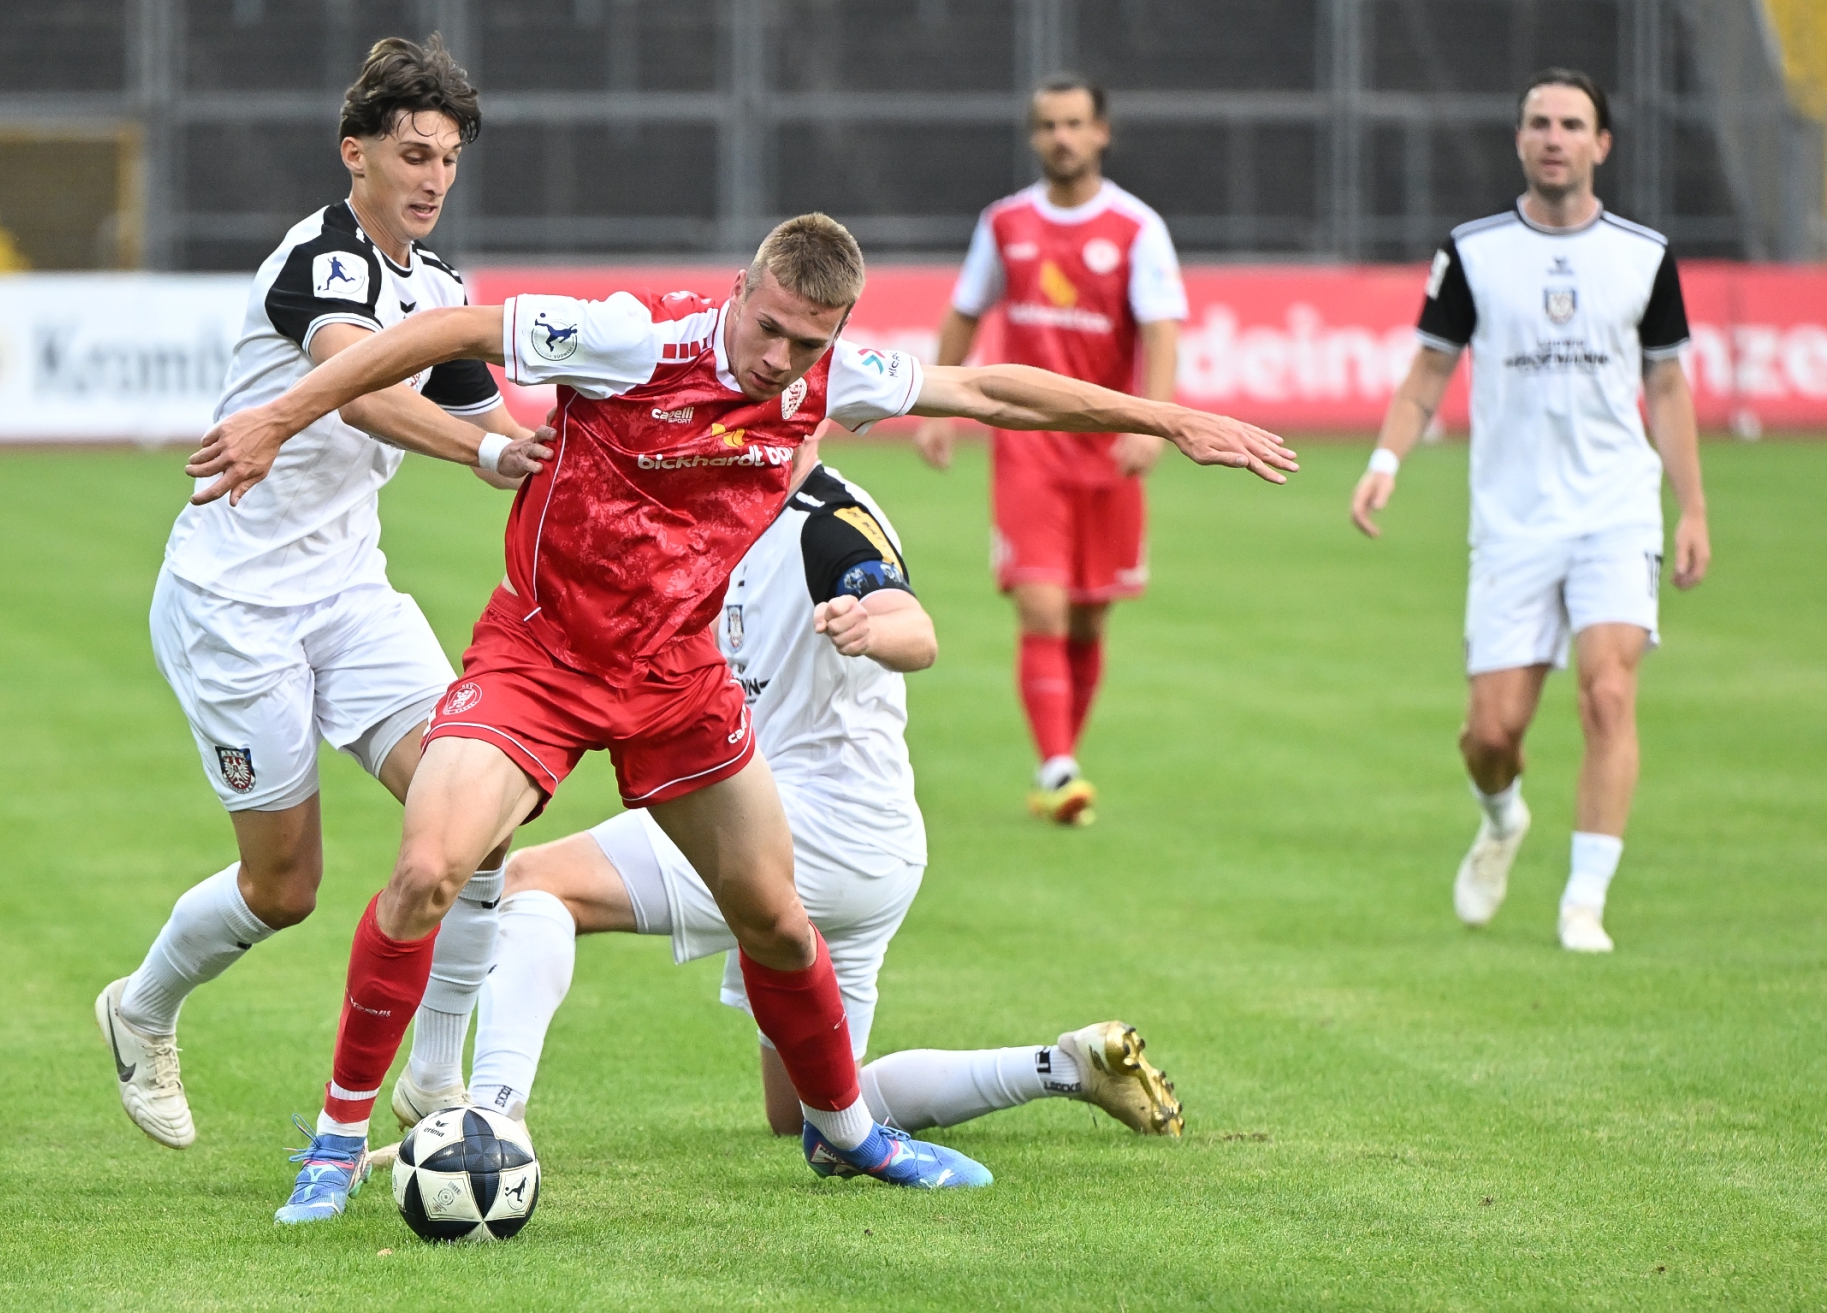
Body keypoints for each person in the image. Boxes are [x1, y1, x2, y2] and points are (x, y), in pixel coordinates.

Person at [187, 212, 1293, 1220]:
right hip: (542, 655)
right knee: (429, 870)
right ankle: (335, 1142)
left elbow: (993, 391)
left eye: (808, 344)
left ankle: (851, 1132)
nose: (780, 359)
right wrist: (280, 414)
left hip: (676, 675)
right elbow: (452, 330)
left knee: (777, 919)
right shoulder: (630, 339)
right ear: (740, 291)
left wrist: (1168, 417)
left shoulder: (833, 378)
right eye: (769, 329)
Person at [384, 439, 1182, 1155]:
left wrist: (872, 627)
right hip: (860, 845)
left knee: (534, 881)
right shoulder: (719, 513)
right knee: (807, 1109)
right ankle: (1064, 1065)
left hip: (816, 830)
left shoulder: (827, 521)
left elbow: (915, 628)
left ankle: (488, 1118)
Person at [92, 35, 544, 1151]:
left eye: (449, 159)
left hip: (350, 595)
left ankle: (433, 1081)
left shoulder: (438, 288)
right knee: (284, 886)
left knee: (480, 815)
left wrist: (584, 455)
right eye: (414, 154)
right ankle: (141, 1007)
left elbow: (499, 424)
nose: (434, 179)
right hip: (234, 606)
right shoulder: (322, 259)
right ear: (357, 152)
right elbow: (354, 387)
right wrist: (490, 456)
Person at [1349, 68, 1709, 953]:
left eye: (1572, 124)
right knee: (1492, 733)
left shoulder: (1644, 254)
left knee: (1609, 694)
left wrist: (1692, 506)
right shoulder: (1474, 252)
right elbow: (1429, 371)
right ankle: (1503, 816)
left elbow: (1666, 385)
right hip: (1511, 521)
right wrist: (1386, 459)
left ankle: (1584, 901)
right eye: (1539, 123)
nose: (1554, 138)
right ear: (1519, 140)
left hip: (1616, 508)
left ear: (1601, 144)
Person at [913, 76, 1187, 827]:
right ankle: (1058, 767)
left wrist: (1152, 424)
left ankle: (1058, 763)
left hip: (1106, 449)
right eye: (1047, 125)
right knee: (1041, 604)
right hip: (1027, 445)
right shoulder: (1005, 223)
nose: (1060, 138)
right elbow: (966, 311)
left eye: (1073, 123)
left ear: (1101, 132)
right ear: (1034, 136)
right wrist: (935, 407)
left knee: (1090, 619)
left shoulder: (1136, 228)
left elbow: (1161, 331)